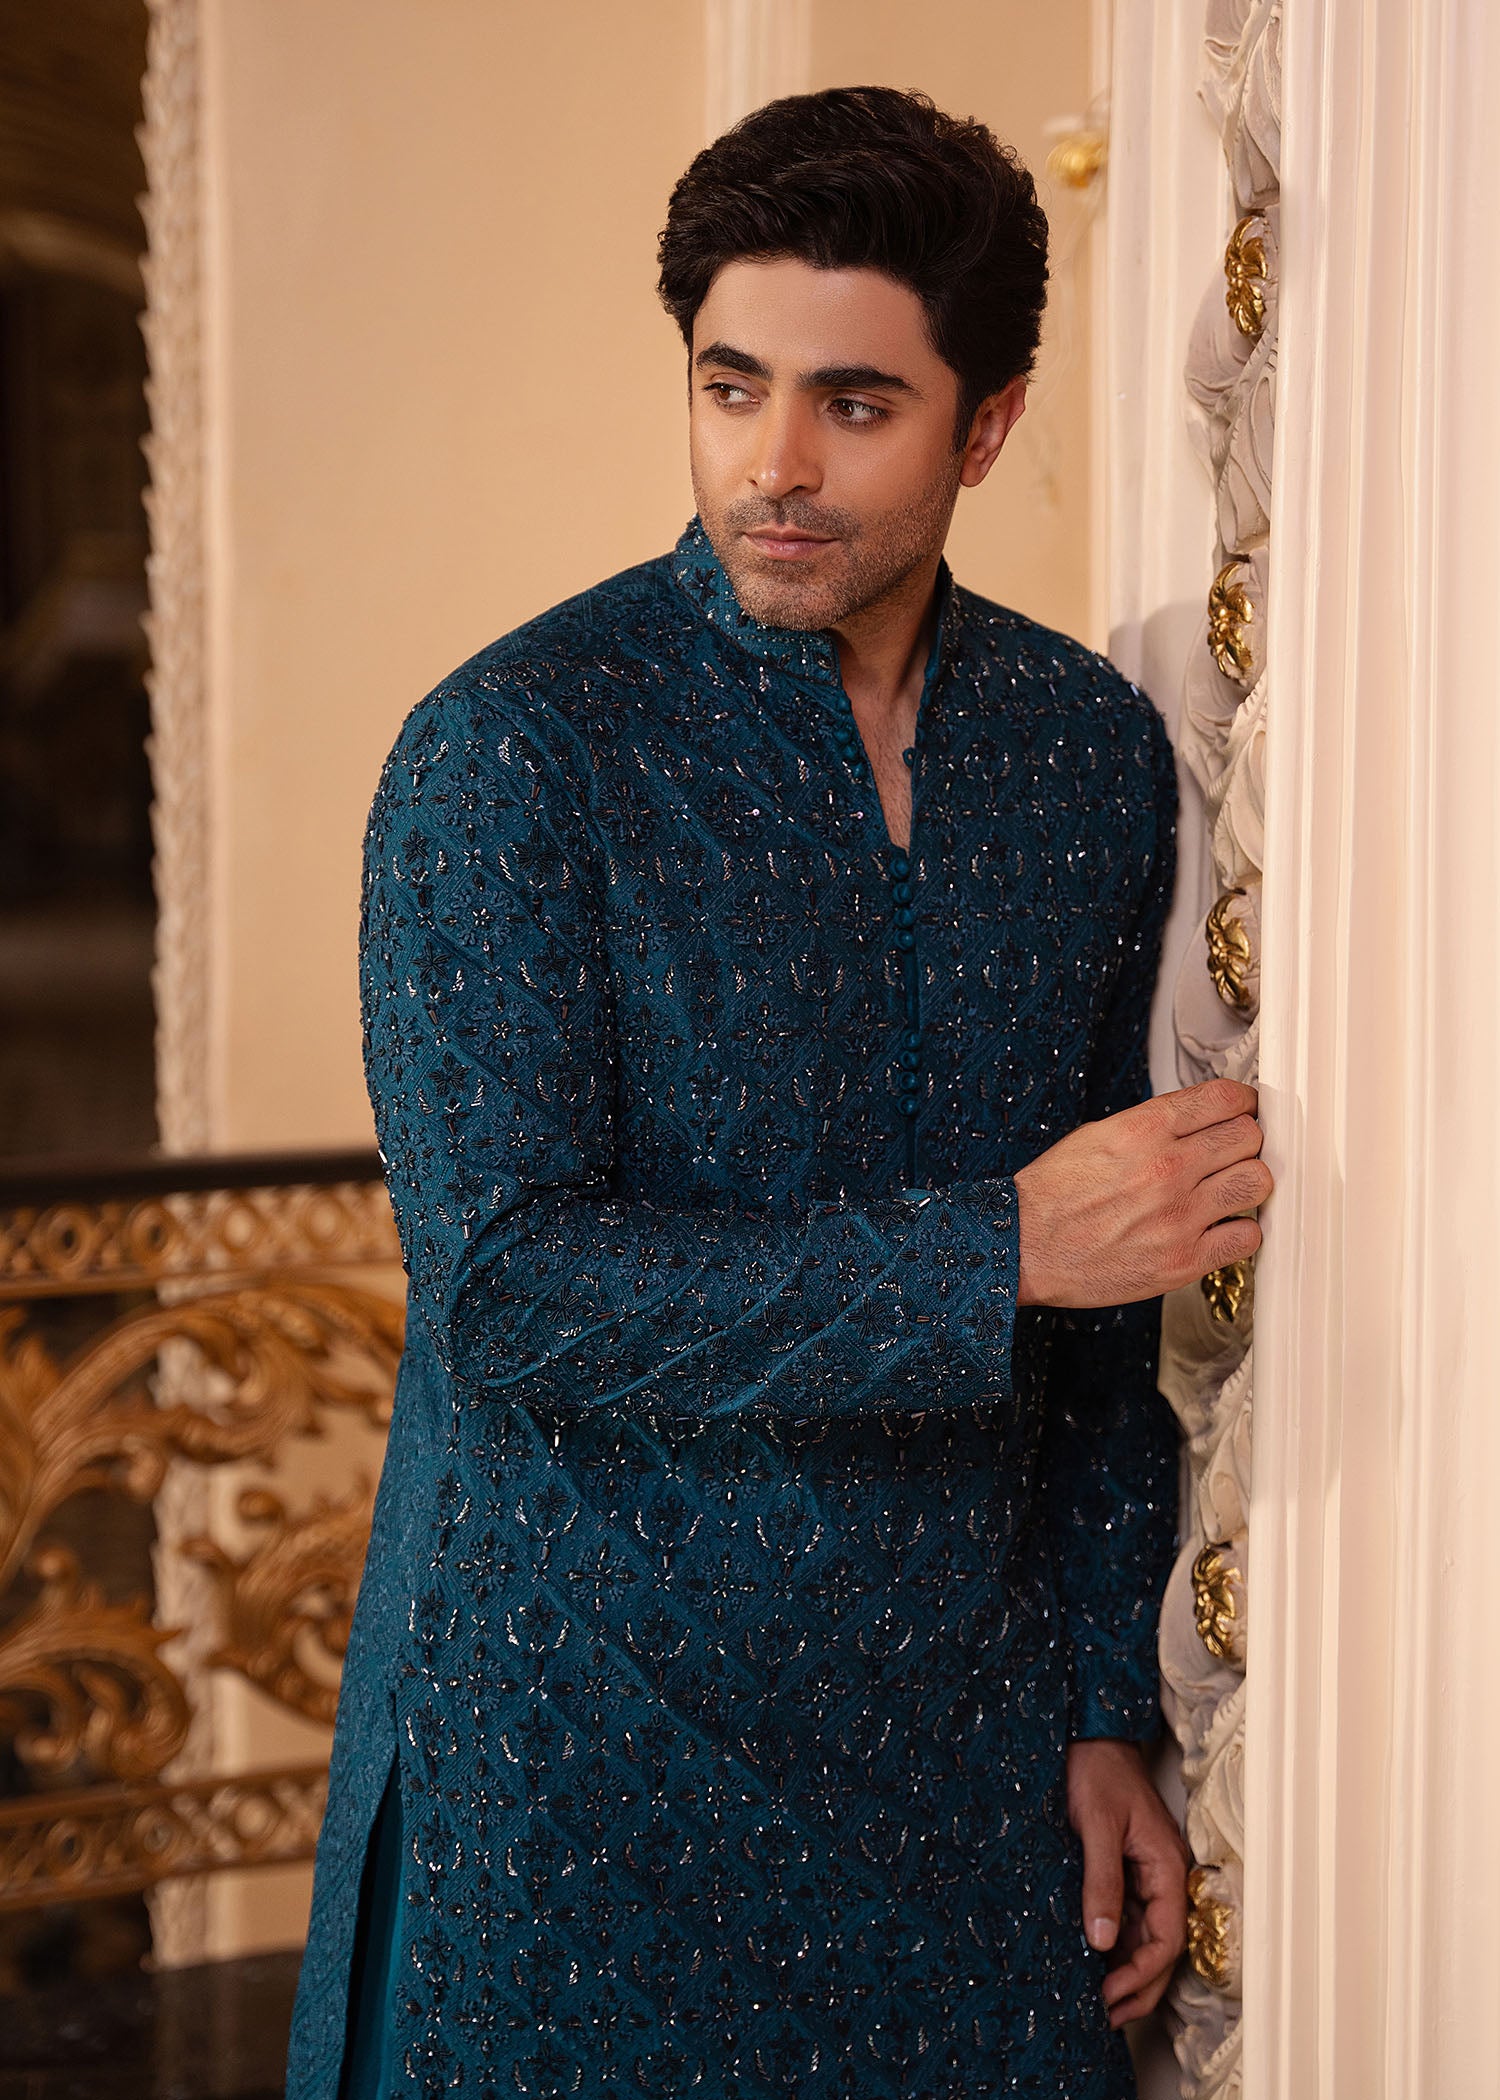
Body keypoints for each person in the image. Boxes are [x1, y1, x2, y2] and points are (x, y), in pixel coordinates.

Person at [286, 84, 1271, 2100]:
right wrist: (997, 1249)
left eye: (855, 404)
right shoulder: (517, 752)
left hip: (964, 1766)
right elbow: (508, 1286)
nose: (776, 467)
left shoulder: (1081, 753)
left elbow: (1099, 1331)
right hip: (578, 1762)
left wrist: (1108, 1701)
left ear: (986, 426)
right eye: (731, 388)